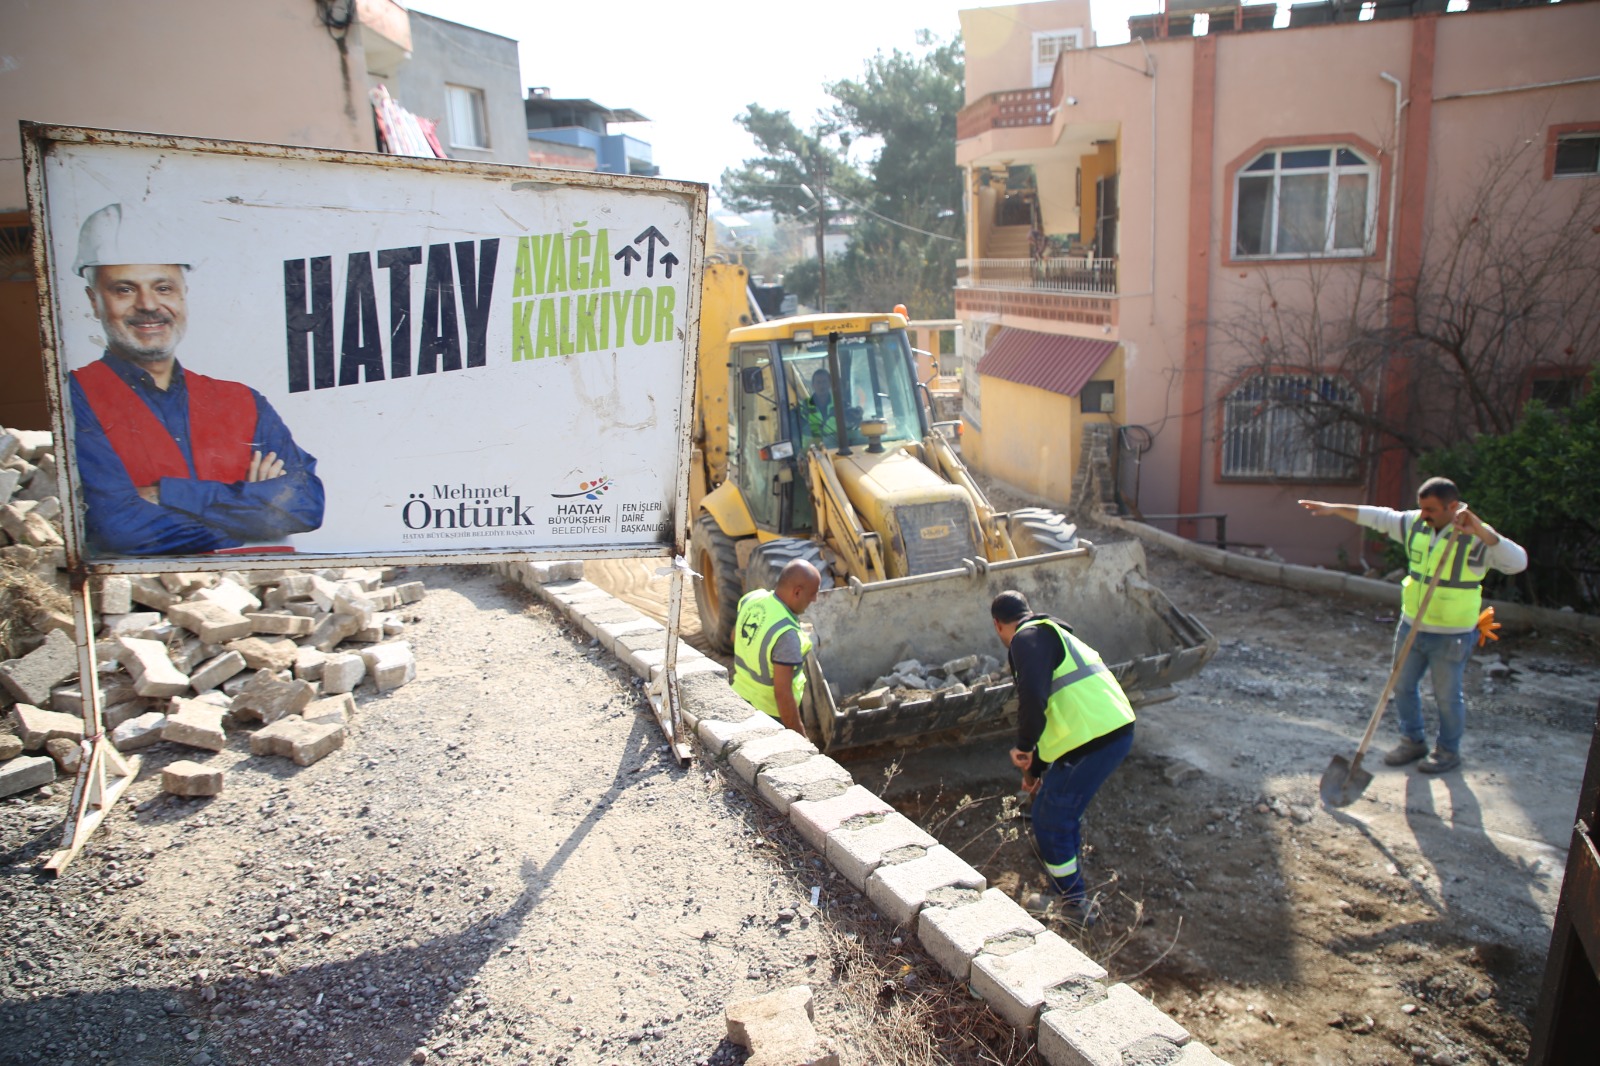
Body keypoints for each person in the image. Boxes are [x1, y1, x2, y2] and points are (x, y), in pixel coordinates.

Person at [67, 203, 325, 555]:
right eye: (124, 290)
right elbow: (119, 527)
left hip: (274, 594)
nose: (148, 304)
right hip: (162, 603)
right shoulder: (75, 397)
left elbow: (305, 505)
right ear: (93, 301)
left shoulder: (243, 401)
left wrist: (166, 495)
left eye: (163, 287)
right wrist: (253, 517)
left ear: (183, 294)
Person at [1299, 478, 1527, 773]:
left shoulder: (1477, 537)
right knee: (1402, 686)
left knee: (1447, 696)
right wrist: (1334, 509)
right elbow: (1378, 516)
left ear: (1453, 506)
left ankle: (1447, 751)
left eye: (1431, 509)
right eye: (1422, 508)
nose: (1424, 514)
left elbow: (1517, 562)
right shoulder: (1416, 524)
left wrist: (1483, 532)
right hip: (1412, 625)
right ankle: (1412, 741)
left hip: (1452, 634)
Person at [991, 589, 1135, 924]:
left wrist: (1024, 747)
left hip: (1096, 739)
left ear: (998, 625)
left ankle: (1072, 904)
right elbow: (1059, 712)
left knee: (1052, 819)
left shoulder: (1026, 640)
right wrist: (1037, 767)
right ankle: (1070, 888)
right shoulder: (1055, 635)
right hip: (1108, 730)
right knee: (1053, 810)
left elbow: (1033, 699)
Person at [731, 560, 822, 734]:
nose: (814, 599)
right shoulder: (786, 634)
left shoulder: (752, 598)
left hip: (739, 698)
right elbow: (783, 695)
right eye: (812, 594)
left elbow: (735, 636)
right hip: (770, 716)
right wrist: (800, 737)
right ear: (797, 592)